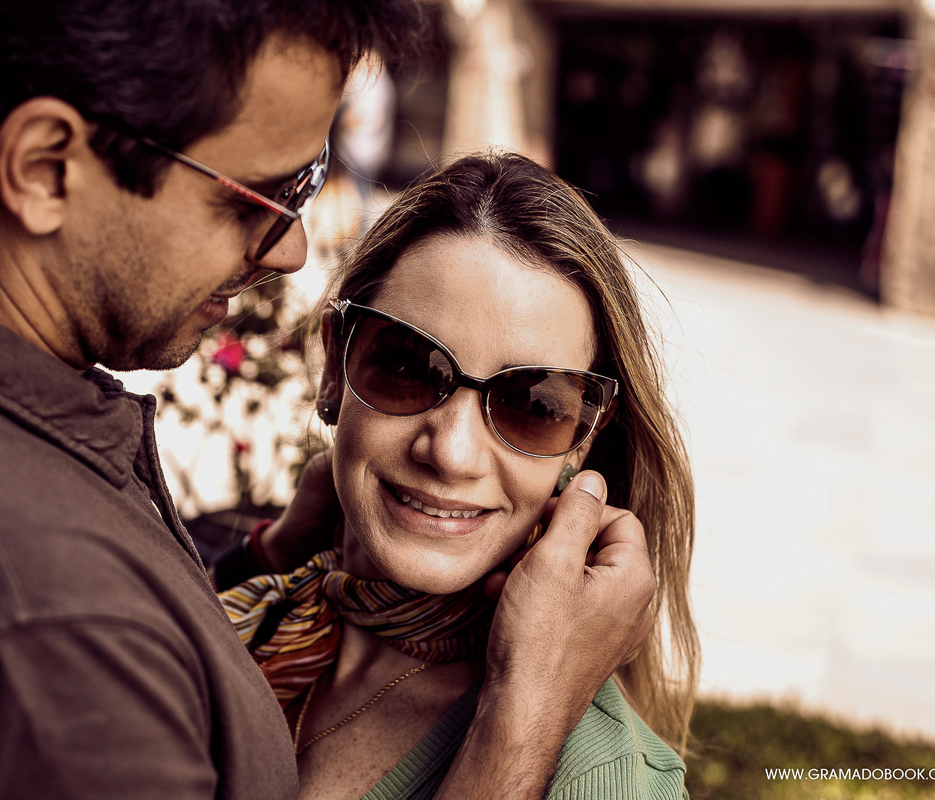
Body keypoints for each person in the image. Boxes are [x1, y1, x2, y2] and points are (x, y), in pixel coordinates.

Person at [0, 2, 658, 799]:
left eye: (533, 404)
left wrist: (254, 561)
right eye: (261, 193)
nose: (290, 248)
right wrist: (520, 727)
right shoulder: (45, 642)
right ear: (44, 166)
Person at [218, 151, 699, 799]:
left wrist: (522, 708)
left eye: (533, 405)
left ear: (583, 437)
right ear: (335, 367)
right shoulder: (253, 612)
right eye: (409, 367)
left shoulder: (601, 776)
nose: (453, 453)